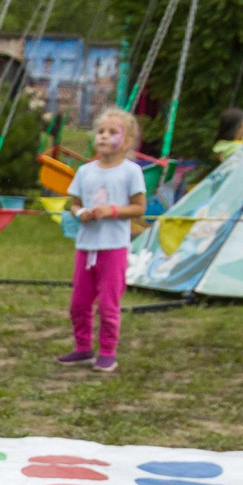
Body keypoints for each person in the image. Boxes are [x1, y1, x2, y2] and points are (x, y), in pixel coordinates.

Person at [60, 106, 146, 375]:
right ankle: (83, 347)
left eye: (112, 132)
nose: (104, 136)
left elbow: (139, 208)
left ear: (127, 141)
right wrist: (81, 213)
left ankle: (108, 351)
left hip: (114, 248)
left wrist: (112, 211)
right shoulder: (85, 172)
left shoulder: (131, 172)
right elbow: (74, 204)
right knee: (79, 303)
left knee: (109, 304)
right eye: (100, 131)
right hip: (86, 247)